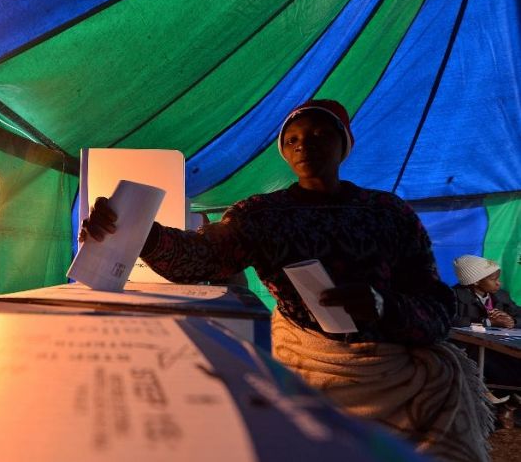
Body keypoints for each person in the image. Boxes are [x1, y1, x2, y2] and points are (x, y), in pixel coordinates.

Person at [80, 99, 492, 461]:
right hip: (305, 369)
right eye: (292, 139)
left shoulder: (388, 213)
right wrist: (141, 233)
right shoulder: (263, 215)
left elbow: (436, 304)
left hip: (397, 374)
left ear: (343, 145)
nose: (303, 145)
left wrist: (384, 308)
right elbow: (201, 257)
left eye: (317, 134)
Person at [452, 255, 521, 426]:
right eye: (493, 279)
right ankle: (502, 403)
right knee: (503, 369)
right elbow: (451, 319)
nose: (498, 283)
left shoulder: (501, 297)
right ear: (475, 281)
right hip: (473, 351)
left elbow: (518, 314)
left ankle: (509, 405)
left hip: (502, 349)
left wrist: (513, 322)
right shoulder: (455, 296)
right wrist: (488, 322)